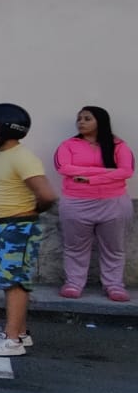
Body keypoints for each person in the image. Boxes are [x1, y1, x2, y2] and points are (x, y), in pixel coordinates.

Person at [0, 103, 58, 356]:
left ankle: (12, 341)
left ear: (9, 127)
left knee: (15, 282)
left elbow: (47, 195)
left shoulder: (22, 157)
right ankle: (20, 332)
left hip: (17, 228)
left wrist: (28, 213)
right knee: (9, 280)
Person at [53, 106, 133, 301]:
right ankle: (74, 283)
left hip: (113, 203)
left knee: (114, 248)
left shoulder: (119, 145)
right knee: (75, 247)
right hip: (76, 203)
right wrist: (107, 172)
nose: (81, 122)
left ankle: (114, 285)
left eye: (87, 118)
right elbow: (64, 168)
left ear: (101, 121)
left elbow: (126, 171)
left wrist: (89, 178)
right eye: (79, 118)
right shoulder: (67, 145)